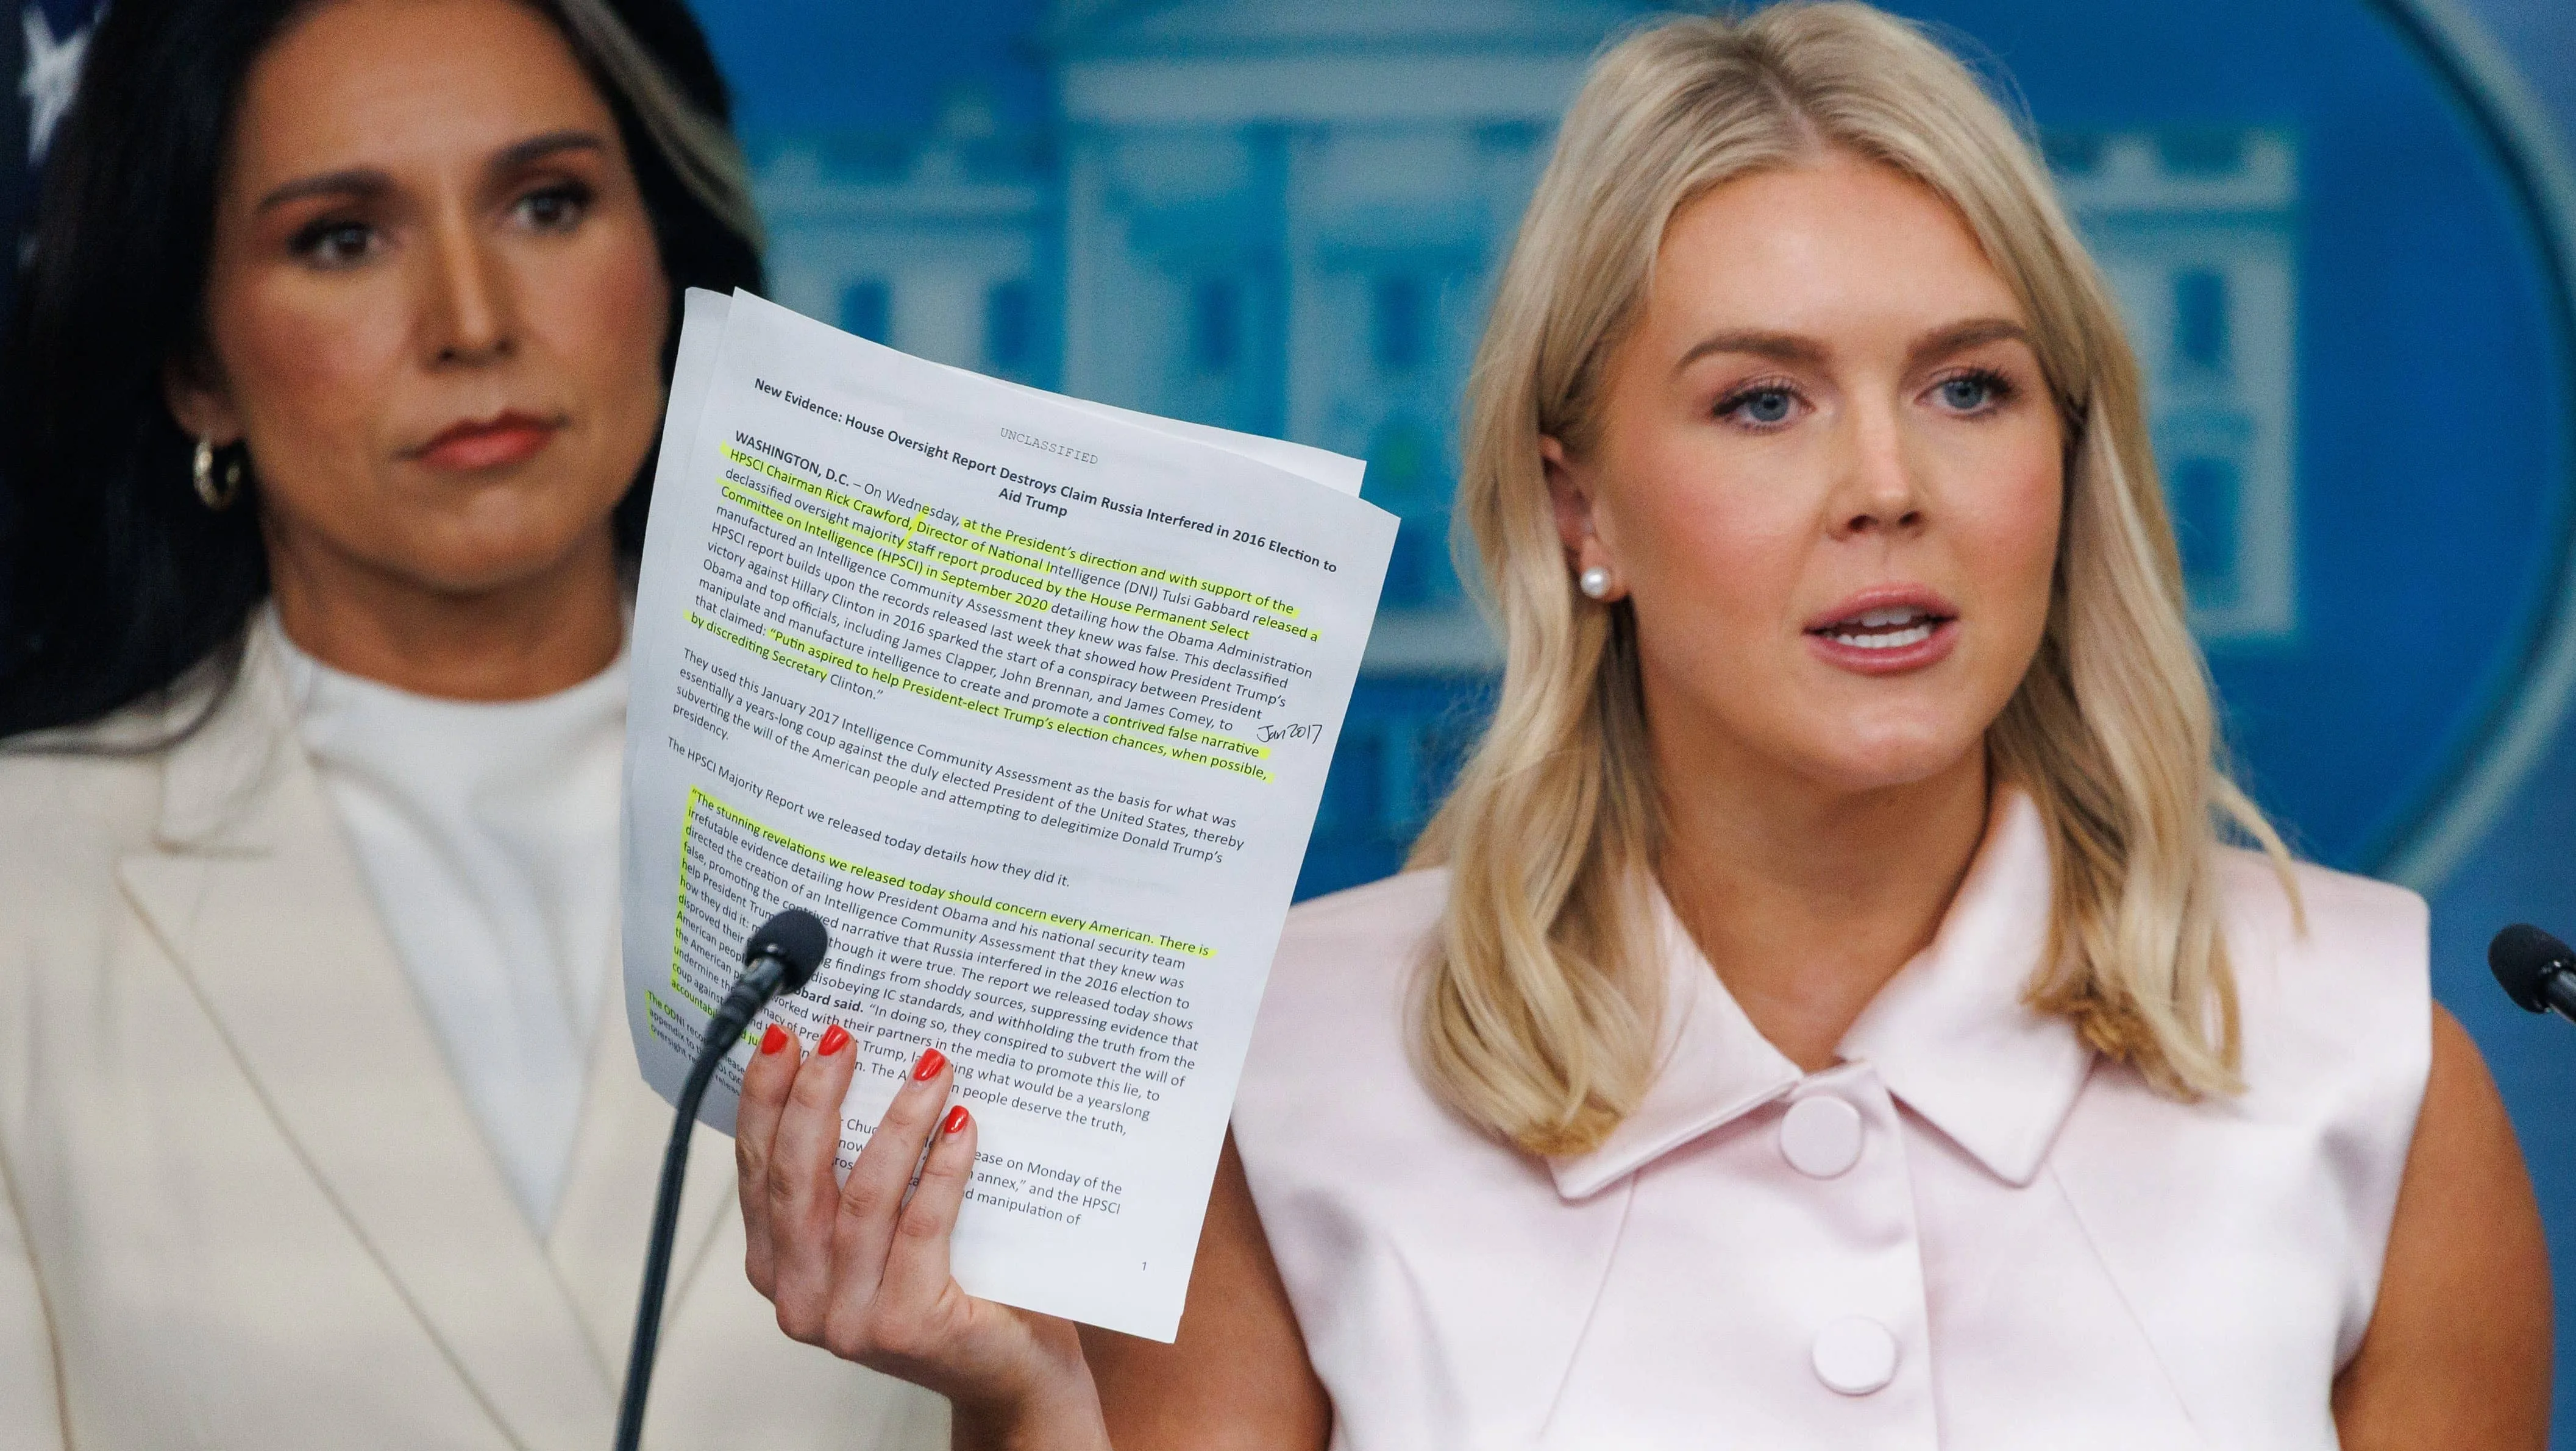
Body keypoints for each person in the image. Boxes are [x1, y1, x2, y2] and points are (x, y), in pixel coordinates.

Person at [725, 4, 2553, 1448]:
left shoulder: (2369, 1063)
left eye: (1970, 386)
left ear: (2066, 463)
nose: (1888, 483)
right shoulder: (1277, 1073)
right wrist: (1026, 1405)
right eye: (1763, 402)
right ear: (1579, 508)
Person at [0, 1, 950, 1446]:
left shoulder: (950, 827)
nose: (473, 320)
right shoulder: (25, 882)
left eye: (547, 204)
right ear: (196, 363)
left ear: (669, 259)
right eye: (342, 237)